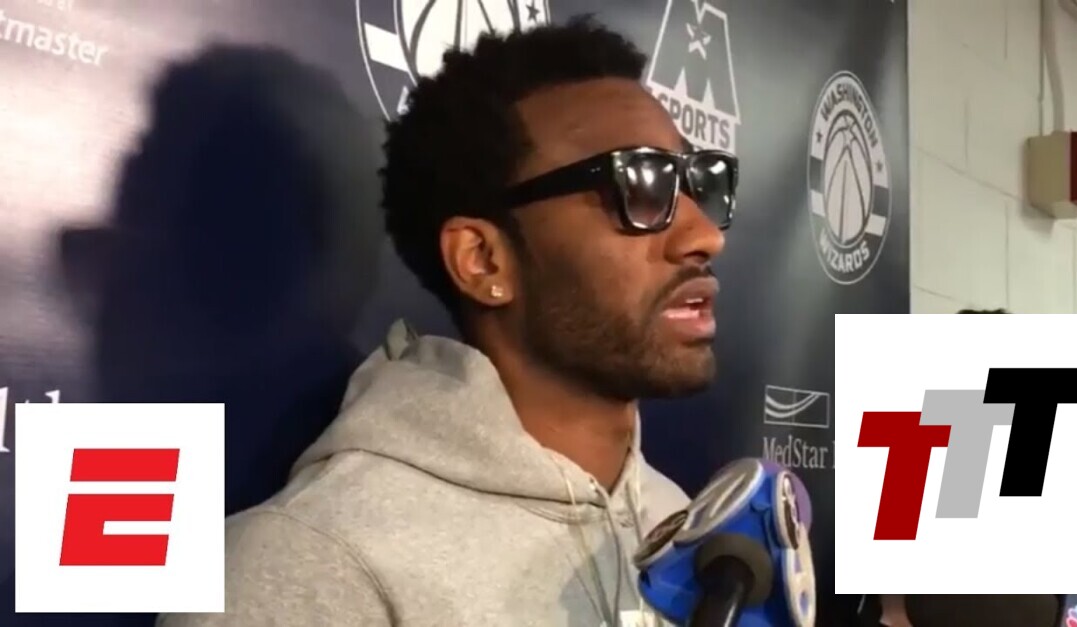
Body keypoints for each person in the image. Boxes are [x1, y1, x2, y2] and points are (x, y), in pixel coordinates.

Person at [159, 16, 736, 627]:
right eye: (639, 184)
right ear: (482, 260)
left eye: (698, 183)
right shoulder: (306, 567)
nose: (705, 236)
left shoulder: (681, 525)